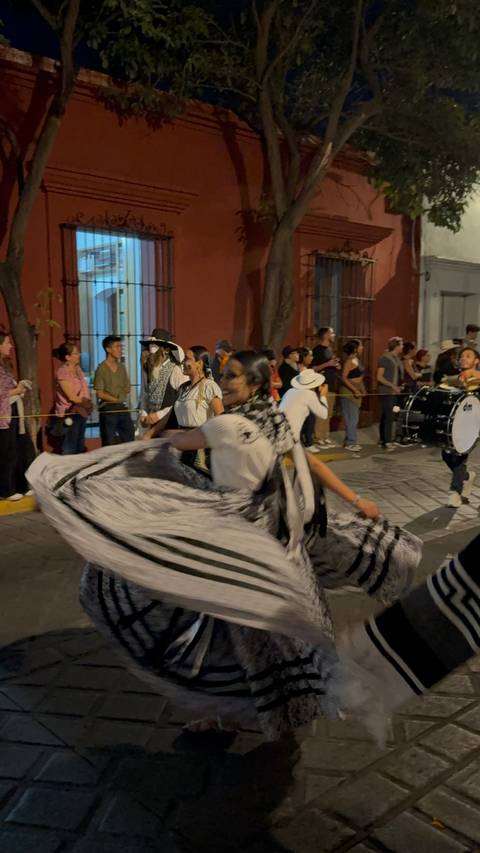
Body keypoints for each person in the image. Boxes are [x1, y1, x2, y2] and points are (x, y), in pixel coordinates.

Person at [29, 350, 421, 742]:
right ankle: (246, 710)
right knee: (256, 629)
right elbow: (300, 462)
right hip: (262, 535)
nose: (226, 380)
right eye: (224, 374)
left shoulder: (231, 423)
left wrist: (132, 447)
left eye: (234, 376)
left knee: (248, 628)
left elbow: (180, 440)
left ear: (253, 382)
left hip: (241, 536)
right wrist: (356, 501)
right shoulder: (268, 417)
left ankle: (244, 710)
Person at [435, 345, 480, 507]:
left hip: (474, 424)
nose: (463, 358)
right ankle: (466, 476)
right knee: (446, 455)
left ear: (476, 361)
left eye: (468, 356)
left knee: (460, 454)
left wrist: (473, 374)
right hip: (455, 424)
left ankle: (455, 491)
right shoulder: (454, 379)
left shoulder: (477, 377)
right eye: (461, 356)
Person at [174, 345, 223, 467]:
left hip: (198, 445)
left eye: (187, 359)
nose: (183, 362)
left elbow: (220, 416)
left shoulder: (209, 386)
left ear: (199, 364)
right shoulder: (183, 388)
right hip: (182, 444)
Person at [0, 330, 34, 500]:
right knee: (7, 452)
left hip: (14, 411)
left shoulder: (4, 366)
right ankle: (6, 490)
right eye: (7, 342)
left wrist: (19, 387)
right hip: (3, 415)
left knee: (24, 449)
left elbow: (9, 388)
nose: (10, 346)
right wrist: (17, 390)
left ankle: (22, 485)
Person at [138, 328, 188, 438]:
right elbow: (144, 395)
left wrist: (159, 415)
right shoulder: (147, 369)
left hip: (169, 428)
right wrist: (144, 414)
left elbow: (183, 400)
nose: (151, 349)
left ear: (166, 349)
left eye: (156, 345)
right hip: (151, 427)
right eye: (150, 345)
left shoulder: (176, 370)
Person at [94, 336, 134, 446]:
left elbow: (127, 387)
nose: (120, 349)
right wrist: (116, 398)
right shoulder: (101, 369)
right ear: (108, 349)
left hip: (121, 407)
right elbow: (100, 393)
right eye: (117, 346)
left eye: (120, 346)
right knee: (109, 441)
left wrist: (120, 398)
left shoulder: (122, 367)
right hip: (108, 409)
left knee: (129, 436)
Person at [53, 342, 92, 455]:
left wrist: (88, 404)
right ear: (67, 357)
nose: (79, 355)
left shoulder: (78, 369)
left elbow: (84, 388)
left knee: (79, 447)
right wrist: (87, 404)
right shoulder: (62, 372)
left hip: (81, 412)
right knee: (69, 448)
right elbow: (71, 396)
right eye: (75, 353)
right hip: (70, 414)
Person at [279, 368, 328, 451]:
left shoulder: (290, 391)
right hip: (292, 436)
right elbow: (324, 415)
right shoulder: (309, 394)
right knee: (302, 461)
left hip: (280, 432)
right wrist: (323, 396)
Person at [312, 327, 339, 448]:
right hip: (322, 384)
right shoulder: (317, 350)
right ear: (326, 335)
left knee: (328, 412)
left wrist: (336, 365)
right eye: (332, 333)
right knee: (322, 411)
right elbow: (313, 368)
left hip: (332, 383)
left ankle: (325, 435)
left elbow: (331, 365)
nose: (334, 335)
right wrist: (328, 364)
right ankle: (318, 437)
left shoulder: (330, 349)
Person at [338, 339, 366, 452]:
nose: (362, 348)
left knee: (354, 417)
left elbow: (360, 377)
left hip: (357, 390)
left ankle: (350, 440)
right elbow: (344, 378)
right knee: (351, 418)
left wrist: (362, 389)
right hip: (348, 392)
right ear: (355, 349)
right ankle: (351, 442)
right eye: (360, 346)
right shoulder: (349, 361)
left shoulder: (357, 360)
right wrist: (354, 390)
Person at [376, 336, 403, 450]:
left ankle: (383, 439)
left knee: (387, 415)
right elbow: (379, 377)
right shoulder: (385, 358)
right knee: (389, 416)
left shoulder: (396, 358)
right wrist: (393, 386)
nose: (402, 347)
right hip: (387, 391)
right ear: (396, 346)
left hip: (394, 391)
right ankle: (387, 441)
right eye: (401, 345)